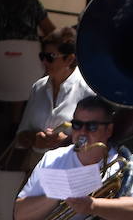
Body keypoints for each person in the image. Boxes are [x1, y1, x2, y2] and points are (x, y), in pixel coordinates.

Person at [13, 27, 94, 162]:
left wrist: (68, 142)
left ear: (69, 59)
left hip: (72, 167)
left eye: (50, 57)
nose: (44, 62)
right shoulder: (38, 87)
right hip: (36, 167)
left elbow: (98, 142)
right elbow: (20, 136)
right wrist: (34, 138)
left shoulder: (88, 92)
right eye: (42, 56)